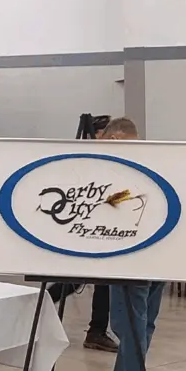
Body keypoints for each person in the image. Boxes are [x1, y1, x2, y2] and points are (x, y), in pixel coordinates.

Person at [94, 117, 163, 371]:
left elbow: (115, 202)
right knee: (144, 322)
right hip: (161, 258)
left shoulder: (124, 170)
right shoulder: (158, 163)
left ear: (112, 138)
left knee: (129, 324)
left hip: (130, 258)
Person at [47, 115, 119, 353]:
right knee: (85, 278)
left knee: (91, 280)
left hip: (101, 228)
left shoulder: (100, 160)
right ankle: (95, 330)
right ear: (99, 135)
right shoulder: (90, 160)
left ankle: (95, 330)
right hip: (90, 229)